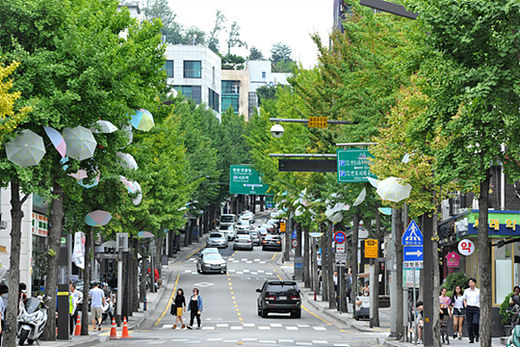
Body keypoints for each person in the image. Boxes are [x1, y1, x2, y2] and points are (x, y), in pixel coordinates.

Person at [463, 278, 480, 343]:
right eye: (470, 282)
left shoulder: (478, 291)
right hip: (469, 308)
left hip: (476, 308)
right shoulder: (466, 291)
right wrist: (465, 306)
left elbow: (481, 299)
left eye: (472, 282)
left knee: (475, 322)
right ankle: (471, 338)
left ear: (475, 283)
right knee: (469, 324)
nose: (471, 284)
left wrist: (479, 306)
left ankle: (477, 334)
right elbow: (464, 299)